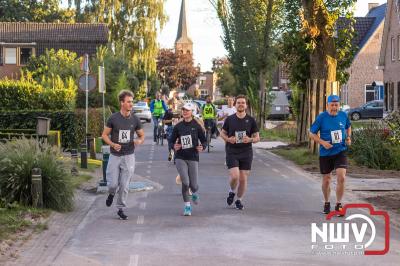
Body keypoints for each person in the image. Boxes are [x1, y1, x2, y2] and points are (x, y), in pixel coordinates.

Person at [102, 90, 145, 220]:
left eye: (132, 102)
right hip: (115, 155)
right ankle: (111, 193)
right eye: (128, 102)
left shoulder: (135, 119)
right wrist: (113, 144)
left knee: (125, 185)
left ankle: (120, 208)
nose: (131, 104)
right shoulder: (113, 118)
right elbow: (104, 135)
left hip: (129, 156)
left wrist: (138, 141)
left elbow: (142, 135)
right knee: (113, 184)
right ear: (122, 103)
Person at [309, 95, 351, 215]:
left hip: (340, 150)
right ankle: (327, 202)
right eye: (332, 105)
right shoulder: (321, 117)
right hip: (325, 152)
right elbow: (312, 134)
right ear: (327, 105)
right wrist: (323, 143)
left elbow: (348, 127)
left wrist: (348, 137)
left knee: (341, 177)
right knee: (327, 179)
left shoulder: (343, 115)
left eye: (336, 105)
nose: (334, 107)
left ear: (339, 105)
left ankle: (338, 204)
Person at [220, 95, 260, 210]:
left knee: (243, 178)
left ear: (246, 105)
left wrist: (250, 139)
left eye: (243, 102)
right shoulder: (230, 119)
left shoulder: (251, 120)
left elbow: (257, 138)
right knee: (234, 176)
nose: (241, 104)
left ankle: (239, 200)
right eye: (239, 102)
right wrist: (228, 139)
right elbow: (222, 133)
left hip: (246, 152)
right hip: (232, 151)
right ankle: (232, 191)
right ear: (235, 105)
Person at [170, 103, 207, 216]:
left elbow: (204, 141)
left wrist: (202, 147)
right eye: (184, 110)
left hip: (193, 157)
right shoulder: (178, 126)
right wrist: (174, 146)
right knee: (185, 183)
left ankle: (194, 192)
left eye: (188, 110)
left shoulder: (197, 125)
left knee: (194, 185)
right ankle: (187, 206)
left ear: (192, 112)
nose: (185, 112)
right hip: (180, 157)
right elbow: (171, 140)